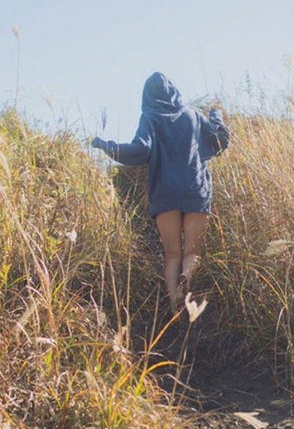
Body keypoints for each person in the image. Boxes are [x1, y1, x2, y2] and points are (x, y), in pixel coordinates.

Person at [92, 72, 230, 311]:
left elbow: (140, 150)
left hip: (165, 194)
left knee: (172, 254)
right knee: (193, 252)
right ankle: (188, 280)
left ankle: (175, 300)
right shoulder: (193, 115)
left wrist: (107, 146)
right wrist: (216, 115)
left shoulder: (150, 117)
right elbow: (220, 139)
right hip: (195, 189)